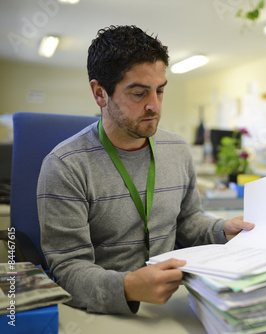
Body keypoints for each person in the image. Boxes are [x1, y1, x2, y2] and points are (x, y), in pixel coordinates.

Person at [37, 25, 254, 314]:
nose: (154, 105)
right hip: (105, 309)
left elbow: (188, 221)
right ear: (100, 93)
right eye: (139, 93)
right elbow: (68, 269)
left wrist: (220, 229)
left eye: (160, 91)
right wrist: (127, 287)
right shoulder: (65, 166)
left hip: (178, 300)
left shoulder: (177, 149)